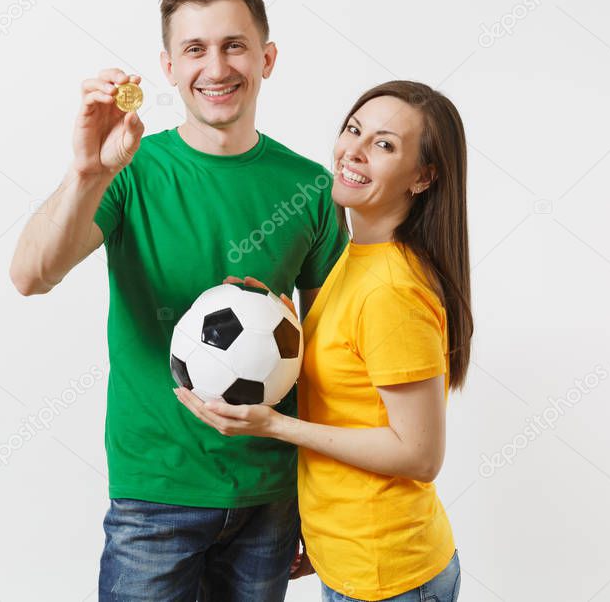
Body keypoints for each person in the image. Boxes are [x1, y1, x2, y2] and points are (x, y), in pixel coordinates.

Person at [9, 0, 347, 600]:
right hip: (155, 494)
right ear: (168, 67)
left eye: (234, 45)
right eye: (195, 49)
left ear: (267, 58)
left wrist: (319, 494)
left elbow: (333, 356)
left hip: (270, 497)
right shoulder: (130, 171)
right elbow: (32, 275)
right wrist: (86, 172)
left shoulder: (312, 189)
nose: (216, 67)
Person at [176, 80, 473, 602]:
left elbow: (420, 454)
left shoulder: (392, 290)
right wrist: (272, 321)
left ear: (423, 177)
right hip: (355, 560)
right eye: (353, 130)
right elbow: (350, 395)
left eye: (384, 144)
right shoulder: (358, 258)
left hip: (390, 574)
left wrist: (275, 425)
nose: (353, 152)